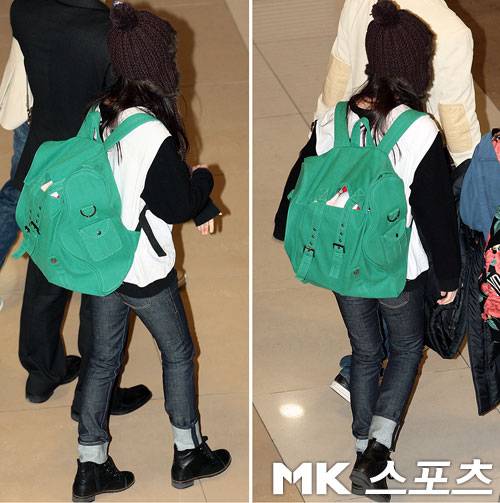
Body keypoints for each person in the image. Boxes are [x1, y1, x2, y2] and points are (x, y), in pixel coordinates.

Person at [280, 1, 460, 497]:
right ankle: (377, 450)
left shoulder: (332, 119)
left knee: (365, 352)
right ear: (417, 67)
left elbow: (299, 184)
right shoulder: (419, 130)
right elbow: (435, 214)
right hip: (396, 268)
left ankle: (361, 445)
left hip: (341, 262)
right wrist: (448, 277)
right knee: (405, 349)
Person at [72, 3, 230, 501]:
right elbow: (175, 203)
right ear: (160, 64)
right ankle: (188, 452)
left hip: (102, 264)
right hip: (142, 269)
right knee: (179, 353)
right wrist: (204, 179)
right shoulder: (152, 133)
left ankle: (90, 464)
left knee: (102, 359)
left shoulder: (100, 112)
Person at [10, 0, 151, 417]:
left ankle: (41, 374)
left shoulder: (24, 9)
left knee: (45, 266)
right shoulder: (107, 33)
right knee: (99, 279)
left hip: (41, 161)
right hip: (90, 174)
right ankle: (96, 392)